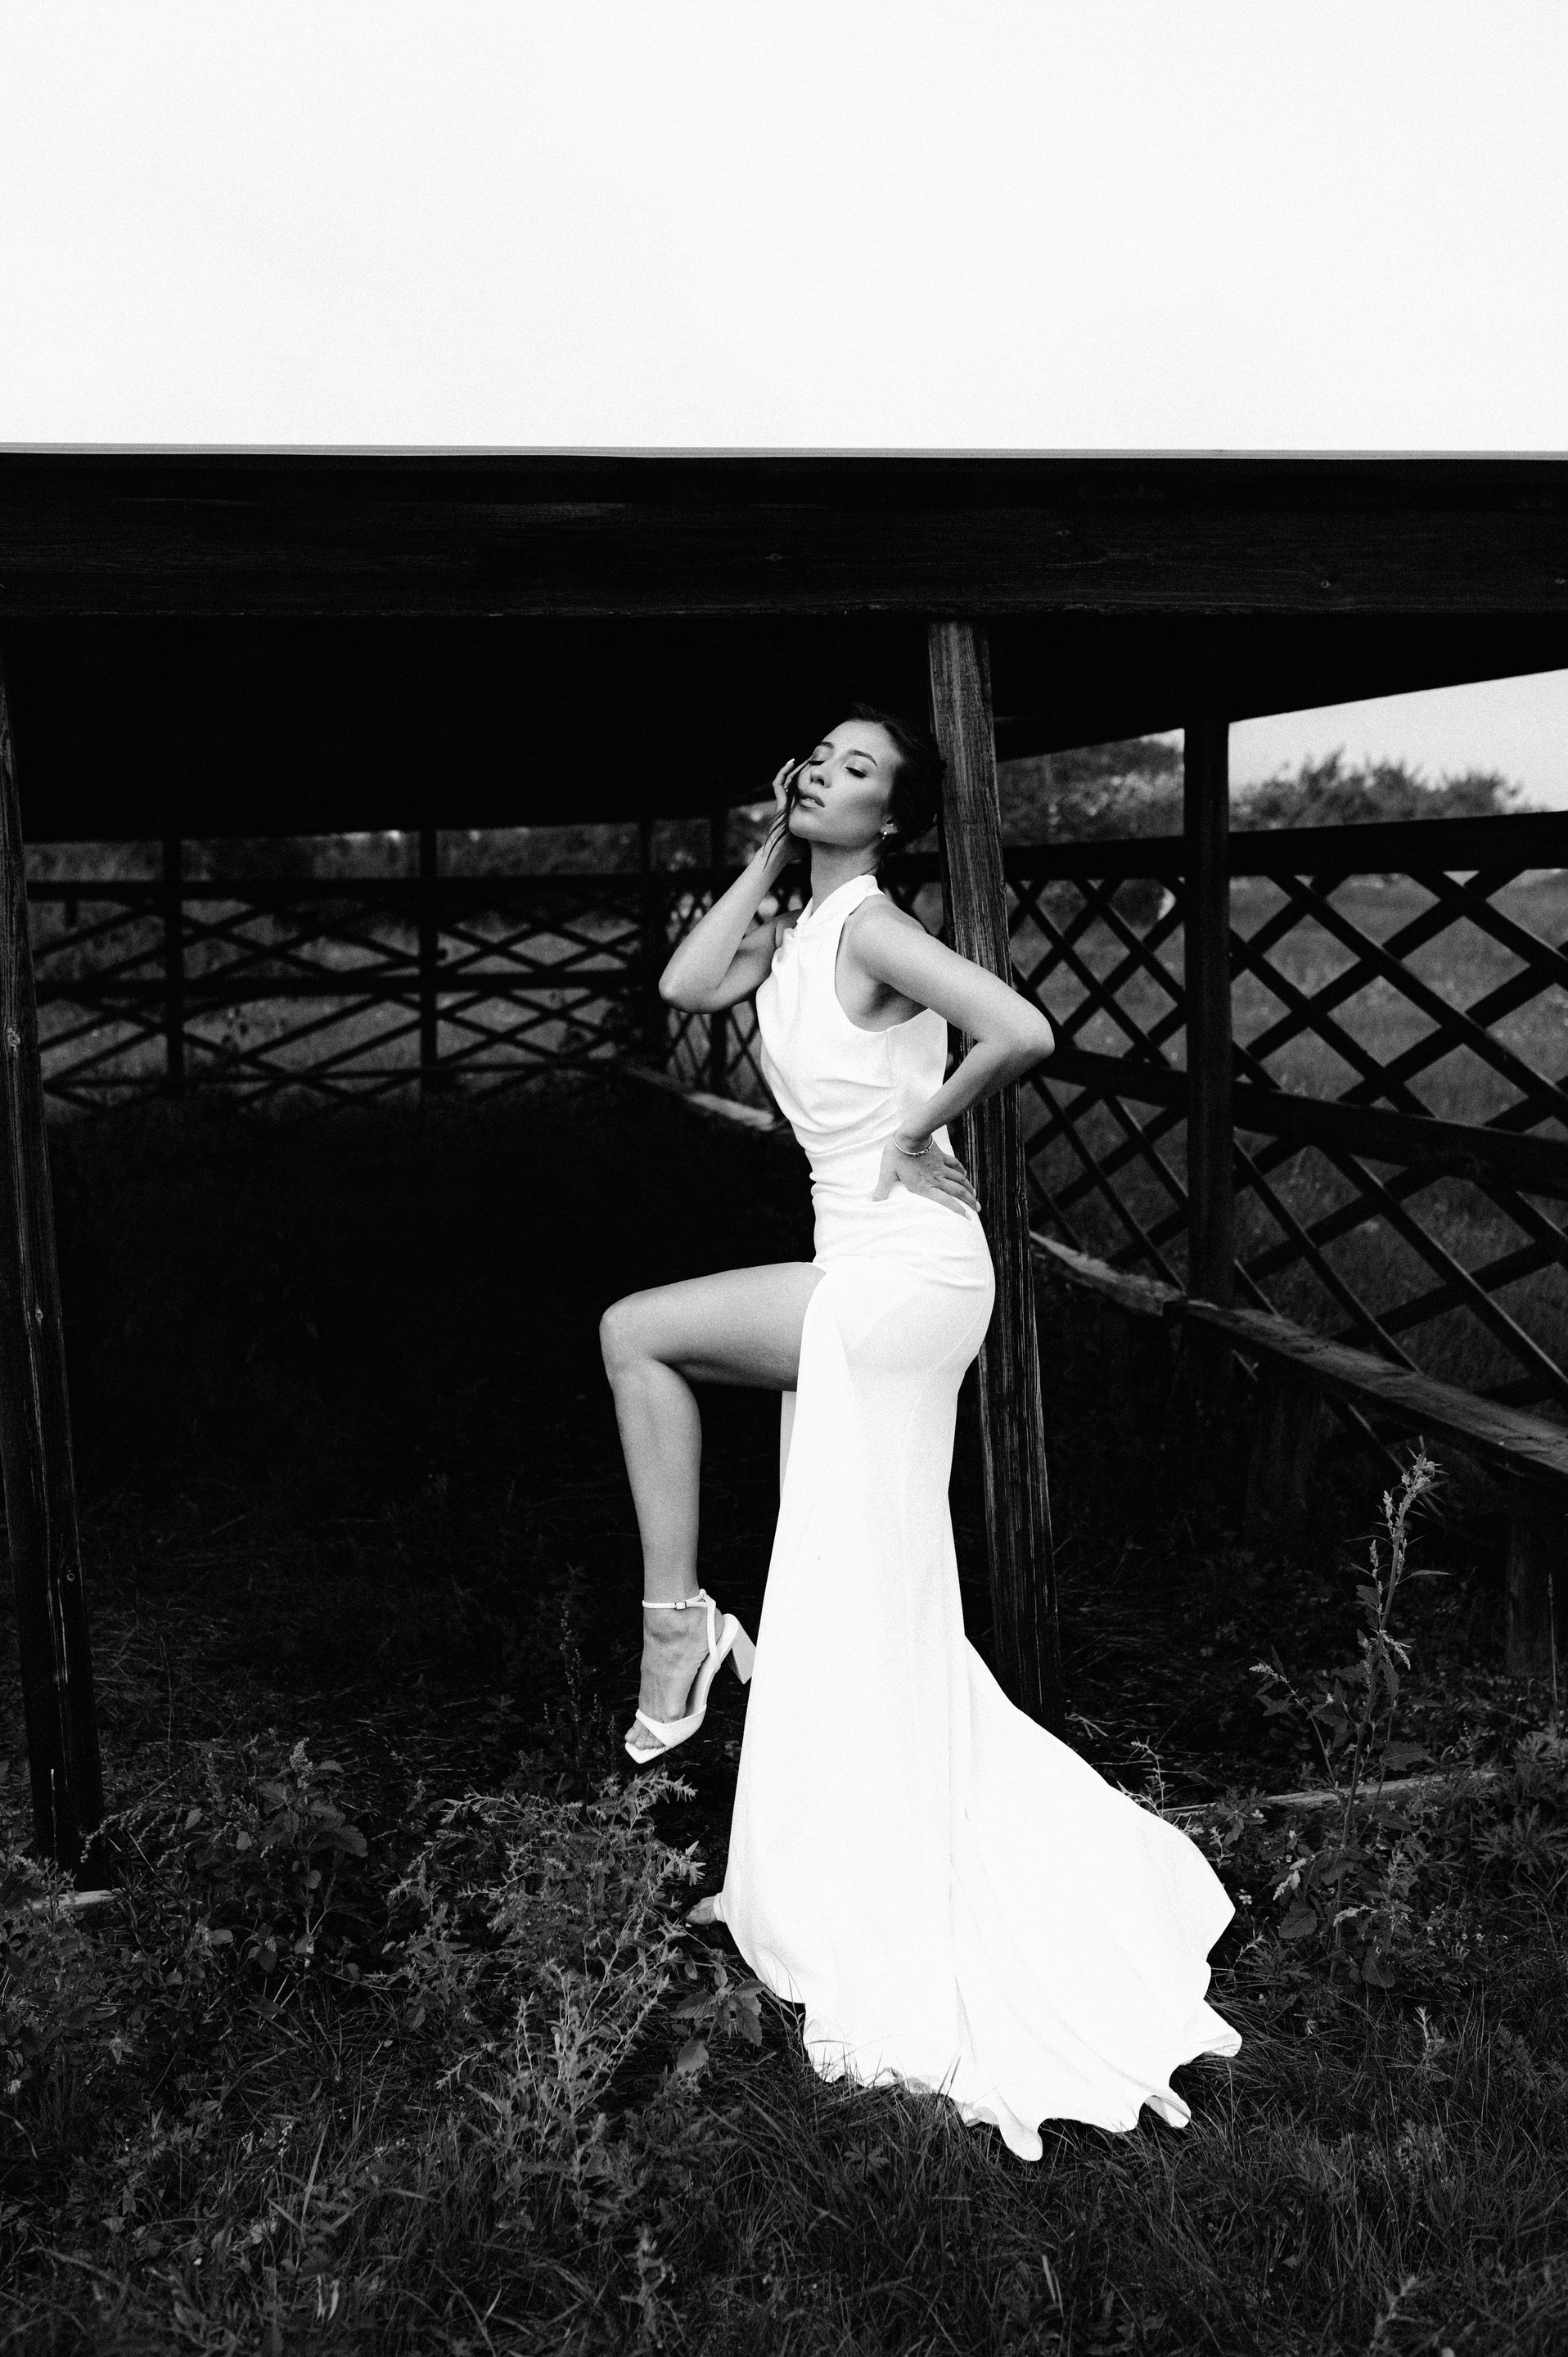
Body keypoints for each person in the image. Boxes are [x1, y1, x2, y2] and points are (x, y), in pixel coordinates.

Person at [597, 706, 1241, 2161]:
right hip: (869, 1259)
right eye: (815, 758)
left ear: (891, 817)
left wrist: (915, 1129)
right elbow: (685, 979)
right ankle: (830, 1834)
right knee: (861, 1584)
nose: (824, 774)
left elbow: (1023, 1028)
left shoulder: (877, 927)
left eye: (858, 770)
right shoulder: (792, 928)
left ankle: (677, 1632)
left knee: (637, 1332)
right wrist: (772, 849)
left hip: (903, 1263)